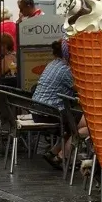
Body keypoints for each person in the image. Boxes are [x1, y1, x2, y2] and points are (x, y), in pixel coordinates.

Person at [32, 39, 88, 169]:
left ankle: (53, 152)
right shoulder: (65, 69)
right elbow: (82, 89)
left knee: (74, 124)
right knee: (92, 125)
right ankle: (62, 157)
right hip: (51, 112)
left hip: (40, 110)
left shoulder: (53, 64)